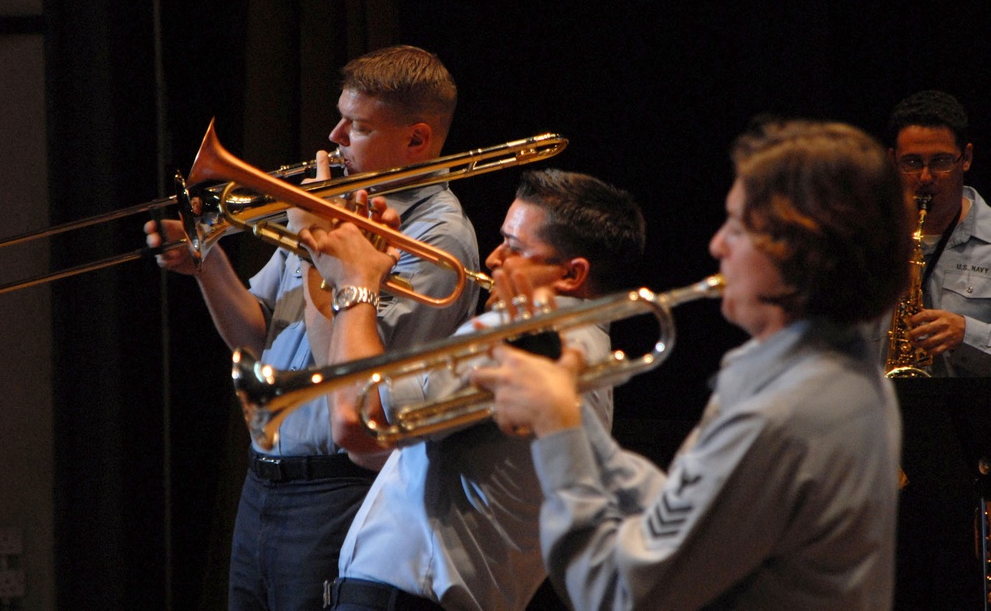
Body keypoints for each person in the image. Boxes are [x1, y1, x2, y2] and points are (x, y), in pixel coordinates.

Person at [472, 119, 911, 610]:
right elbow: (689, 513)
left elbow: (615, 593)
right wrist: (569, 413)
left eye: (738, 227)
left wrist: (557, 431)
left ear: (799, 251)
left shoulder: (783, 415)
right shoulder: (840, 372)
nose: (716, 245)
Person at [143, 45, 481, 610]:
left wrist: (316, 251)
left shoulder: (439, 237)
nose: (334, 136)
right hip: (263, 485)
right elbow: (255, 335)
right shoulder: (334, 204)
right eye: (341, 116)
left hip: (339, 489)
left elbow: (349, 386)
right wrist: (206, 262)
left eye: (359, 126)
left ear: (417, 141)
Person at [295, 169, 647, 610]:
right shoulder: (587, 350)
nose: (494, 259)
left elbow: (354, 417)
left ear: (571, 275)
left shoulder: (521, 336)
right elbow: (369, 448)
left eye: (514, 247)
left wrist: (357, 284)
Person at [884, 89, 991, 377]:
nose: (926, 178)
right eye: (912, 162)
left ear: (965, 158)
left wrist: (967, 334)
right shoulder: (866, 241)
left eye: (941, 162)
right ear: (893, 161)